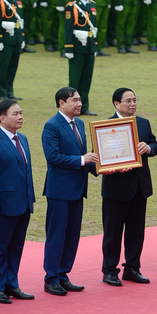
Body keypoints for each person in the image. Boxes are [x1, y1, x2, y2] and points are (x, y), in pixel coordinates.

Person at [41, 87, 98, 296]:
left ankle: (63, 275)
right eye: (74, 100)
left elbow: (83, 154)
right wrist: (83, 160)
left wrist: (100, 168)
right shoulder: (51, 126)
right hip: (59, 191)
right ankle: (51, 278)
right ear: (61, 103)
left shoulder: (80, 123)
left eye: (80, 99)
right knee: (56, 235)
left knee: (72, 235)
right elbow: (53, 157)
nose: (79, 103)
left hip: (77, 189)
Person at [100, 88, 157, 286]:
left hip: (139, 186)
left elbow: (155, 144)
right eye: (128, 101)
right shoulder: (106, 127)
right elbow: (99, 156)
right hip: (116, 187)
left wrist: (149, 148)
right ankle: (109, 270)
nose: (133, 104)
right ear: (117, 104)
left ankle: (132, 268)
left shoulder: (142, 122)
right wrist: (111, 167)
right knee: (113, 233)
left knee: (136, 231)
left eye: (135, 100)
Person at [0, 99, 36, 304]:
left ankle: (11, 284)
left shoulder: (22, 138)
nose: (20, 117)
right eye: (15, 114)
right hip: (2, 206)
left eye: (21, 113)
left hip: (23, 203)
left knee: (16, 246)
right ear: (2, 118)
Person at [64, 0, 98, 116]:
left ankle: (84, 107)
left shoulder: (93, 5)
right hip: (77, 48)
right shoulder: (71, 7)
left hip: (89, 47)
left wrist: (95, 46)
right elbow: (68, 28)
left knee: (86, 78)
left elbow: (94, 28)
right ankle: (72, 108)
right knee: (75, 79)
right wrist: (68, 48)